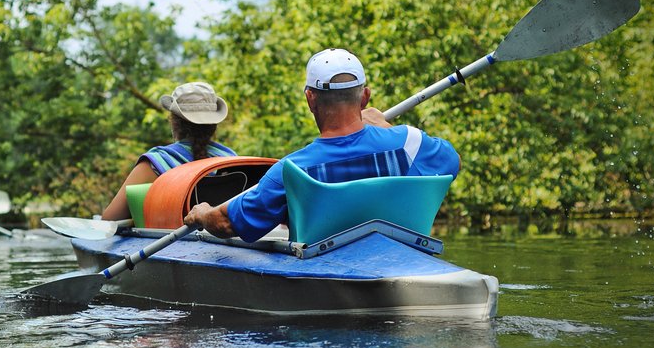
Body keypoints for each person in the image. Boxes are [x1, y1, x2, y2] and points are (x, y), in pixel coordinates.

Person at [183, 47, 461, 242]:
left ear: (310, 99)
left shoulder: (292, 171)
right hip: (405, 259)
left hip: (326, 270)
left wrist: (203, 213)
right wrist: (386, 128)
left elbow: (227, 223)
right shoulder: (411, 144)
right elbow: (452, 161)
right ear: (365, 97)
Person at [101, 82, 237, 220]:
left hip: (170, 242)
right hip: (221, 241)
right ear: (214, 125)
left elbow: (109, 220)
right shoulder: (232, 160)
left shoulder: (156, 162)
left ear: (174, 122)